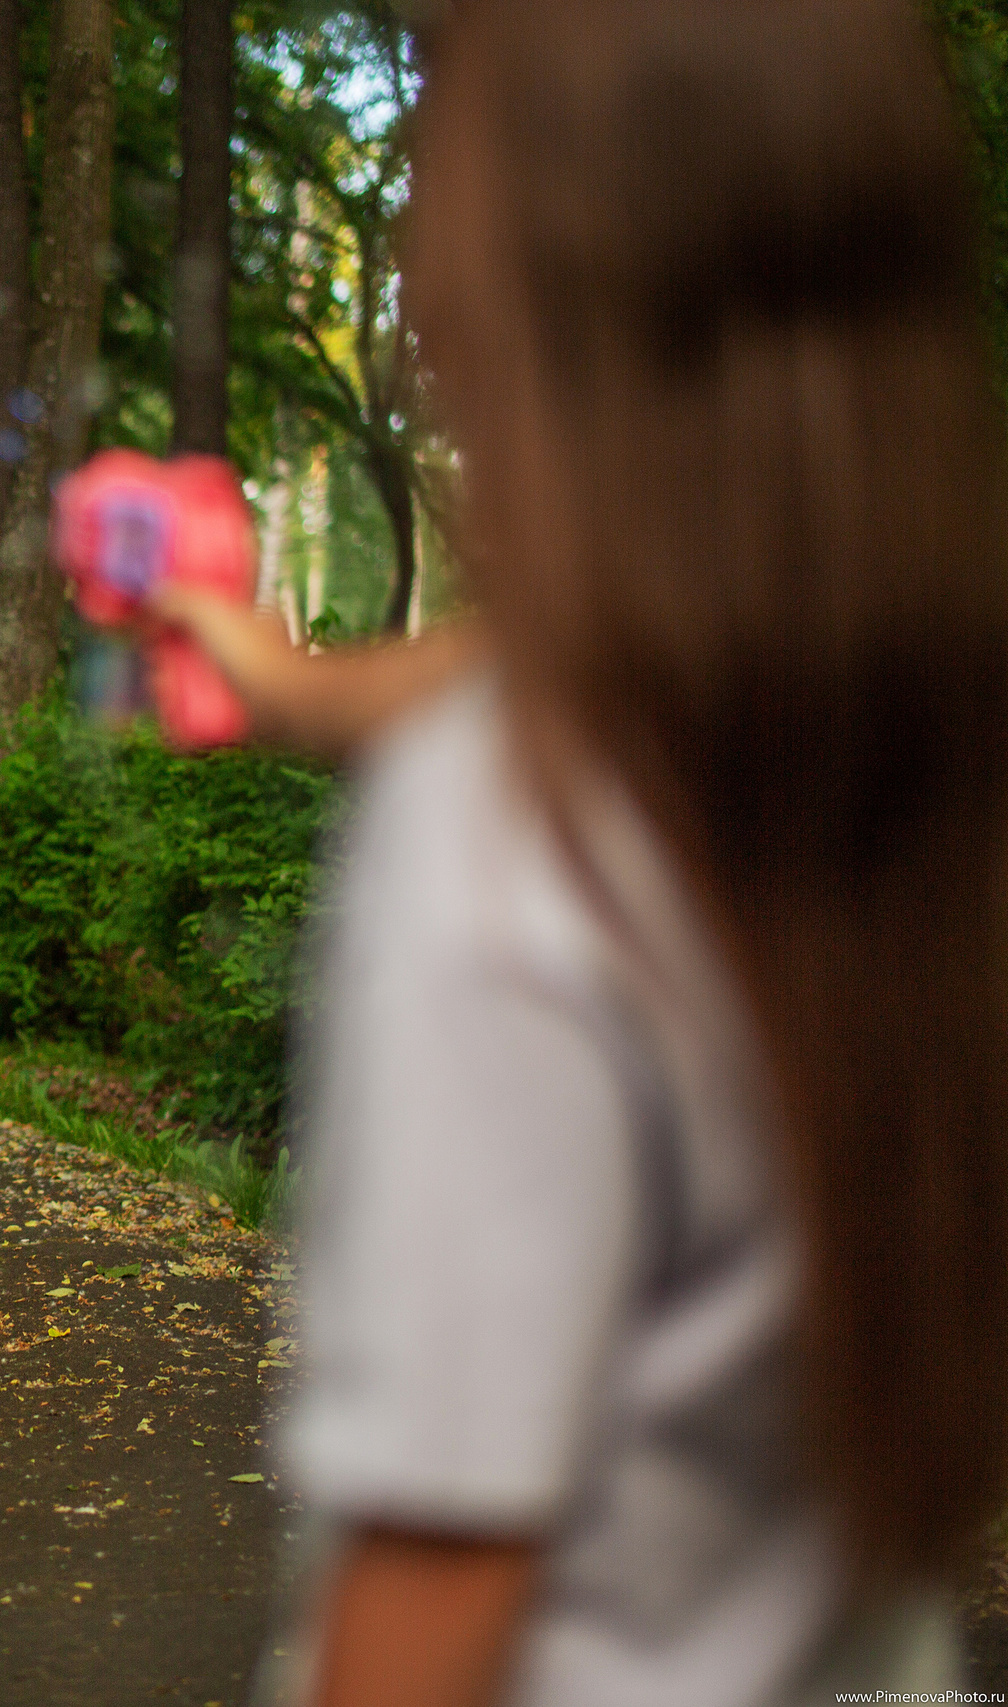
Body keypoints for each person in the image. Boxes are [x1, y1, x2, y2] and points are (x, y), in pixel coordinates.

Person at [157, 3, 1008, 1701]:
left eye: (446, 158)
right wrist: (288, 685)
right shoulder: (911, 715)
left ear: (541, 258)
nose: (409, 245)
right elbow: (624, 646)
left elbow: (445, 1584)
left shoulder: (507, 830)